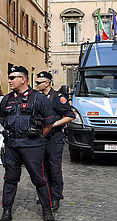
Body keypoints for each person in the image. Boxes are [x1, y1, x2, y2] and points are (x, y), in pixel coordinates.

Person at [0, 66, 56, 221]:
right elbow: (2, 120)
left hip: (32, 146)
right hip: (12, 146)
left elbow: (49, 122)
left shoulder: (39, 99)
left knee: (39, 179)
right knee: (9, 180)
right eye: (9, 77)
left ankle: (47, 211)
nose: (9, 80)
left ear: (23, 79)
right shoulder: (6, 99)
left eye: (12, 77)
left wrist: (37, 137)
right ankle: (6, 212)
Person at [36, 71, 75, 212]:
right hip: (41, 137)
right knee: (42, 168)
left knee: (54, 168)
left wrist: (55, 124)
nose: (36, 85)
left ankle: (56, 196)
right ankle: (45, 195)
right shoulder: (39, 97)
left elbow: (70, 116)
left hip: (54, 138)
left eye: (38, 82)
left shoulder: (58, 98)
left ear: (46, 83)